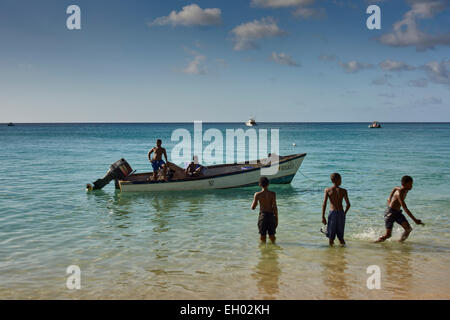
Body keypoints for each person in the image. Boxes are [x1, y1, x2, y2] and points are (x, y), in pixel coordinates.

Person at [375, 176, 424, 243]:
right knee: (388, 235)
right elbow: (405, 208)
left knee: (408, 229)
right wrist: (415, 220)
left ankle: (400, 242)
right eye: (410, 184)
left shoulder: (405, 189)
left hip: (397, 213)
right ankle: (374, 243)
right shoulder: (400, 193)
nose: (411, 186)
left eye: (412, 184)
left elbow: (395, 188)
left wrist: (389, 198)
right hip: (390, 213)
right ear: (404, 184)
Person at [322, 173, 351, 246]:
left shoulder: (328, 190)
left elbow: (324, 204)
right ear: (339, 180)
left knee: (331, 237)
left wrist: (323, 216)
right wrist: (344, 213)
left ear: (332, 180)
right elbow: (348, 205)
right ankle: (342, 253)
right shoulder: (343, 191)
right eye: (341, 179)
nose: (341, 181)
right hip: (341, 213)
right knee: (341, 237)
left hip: (332, 213)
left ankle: (331, 254)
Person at [251, 177, 278, 243]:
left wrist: (256, 202)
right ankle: (273, 250)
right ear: (268, 184)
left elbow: (253, 207)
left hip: (263, 216)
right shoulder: (273, 194)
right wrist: (276, 219)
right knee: (272, 236)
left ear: (259, 184)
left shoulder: (257, 194)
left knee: (262, 236)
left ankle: (263, 251)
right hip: (271, 216)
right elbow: (275, 207)